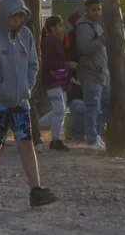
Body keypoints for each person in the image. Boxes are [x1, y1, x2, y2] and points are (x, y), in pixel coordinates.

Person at [0, 0, 58, 208]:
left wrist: (27, 86)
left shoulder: (26, 36)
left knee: (27, 143)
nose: (17, 21)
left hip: (21, 101)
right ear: (3, 15)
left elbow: (33, 63)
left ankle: (35, 190)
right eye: (13, 17)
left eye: (20, 17)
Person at [75, 0, 110, 152]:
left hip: (100, 72)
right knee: (92, 107)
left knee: (101, 106)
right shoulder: (84, 27)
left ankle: (96, 136)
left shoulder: (96, 25)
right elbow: (84, 48)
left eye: (99, 9)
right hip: (90, 72)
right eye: (93, 9)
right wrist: (101, 40)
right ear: (86, 10)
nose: (97, 12)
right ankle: (91, 138)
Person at [39, 15, 74, 152]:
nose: (63, 28)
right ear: (53, 28)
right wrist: (66, 65)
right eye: (60, 25)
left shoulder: (55, 41)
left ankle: (35, 127)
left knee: (58, 111)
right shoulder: (49, 42)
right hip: (53, 80)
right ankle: (55, 138)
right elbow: (50, 63)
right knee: (59, 110)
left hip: (58, 81)